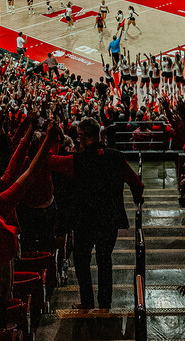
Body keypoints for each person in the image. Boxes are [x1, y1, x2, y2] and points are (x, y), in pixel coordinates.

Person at [49, 118, 144, 309]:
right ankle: (105, 301)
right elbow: (136, 183)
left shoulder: (77, 160)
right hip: (110, 219)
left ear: (83, 136)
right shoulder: (116, 156)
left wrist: (53, 140)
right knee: (105, 259)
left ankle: (87, 301)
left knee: (82, 261)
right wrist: (136, 197)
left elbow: (50, 161)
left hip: (84, 220)